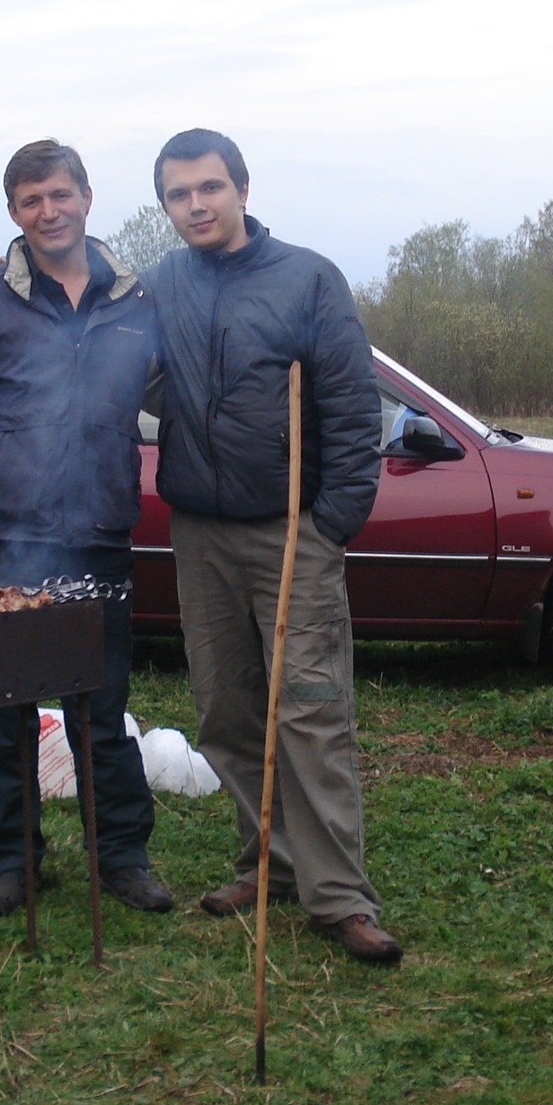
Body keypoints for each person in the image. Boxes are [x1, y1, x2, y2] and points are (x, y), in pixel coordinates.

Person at [143, 128, 400, 964]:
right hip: (200, 532)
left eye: (209, 188)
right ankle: (273, 860)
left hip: (293, 532)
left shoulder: (307, 279)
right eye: (179, 195)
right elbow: (85, 324)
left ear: (242, 190)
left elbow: (356, 414)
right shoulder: (160, 288)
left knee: (312, 712)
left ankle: (339, 898)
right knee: (227, 710)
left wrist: (330, 523)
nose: (196, 205)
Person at [0, 139, 172, 916]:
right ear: (14, 213)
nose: (48, 211)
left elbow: (169, 398)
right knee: (2, 705)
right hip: (2, 542)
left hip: (98, 536)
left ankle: (121, 855)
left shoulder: (135, 303)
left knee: (102, 706)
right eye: (30, 201)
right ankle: (13, 861)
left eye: (59, 195)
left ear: (87, 196)